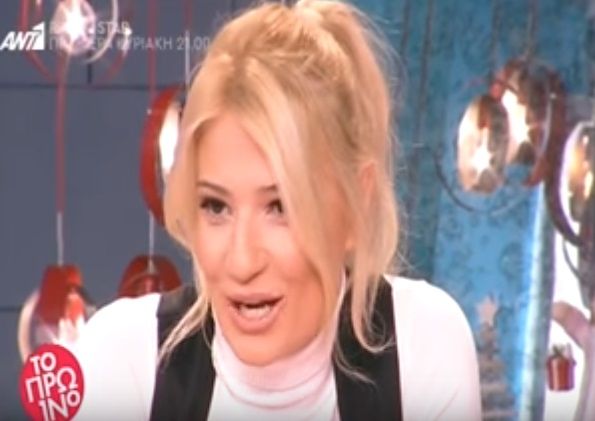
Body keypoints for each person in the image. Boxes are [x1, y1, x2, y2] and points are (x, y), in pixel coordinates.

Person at [73, 1, 482, 419]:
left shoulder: (422, 345)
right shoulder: (123, 358)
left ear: (356, 204)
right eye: (216, 206)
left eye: (280, 207)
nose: (242, 262)